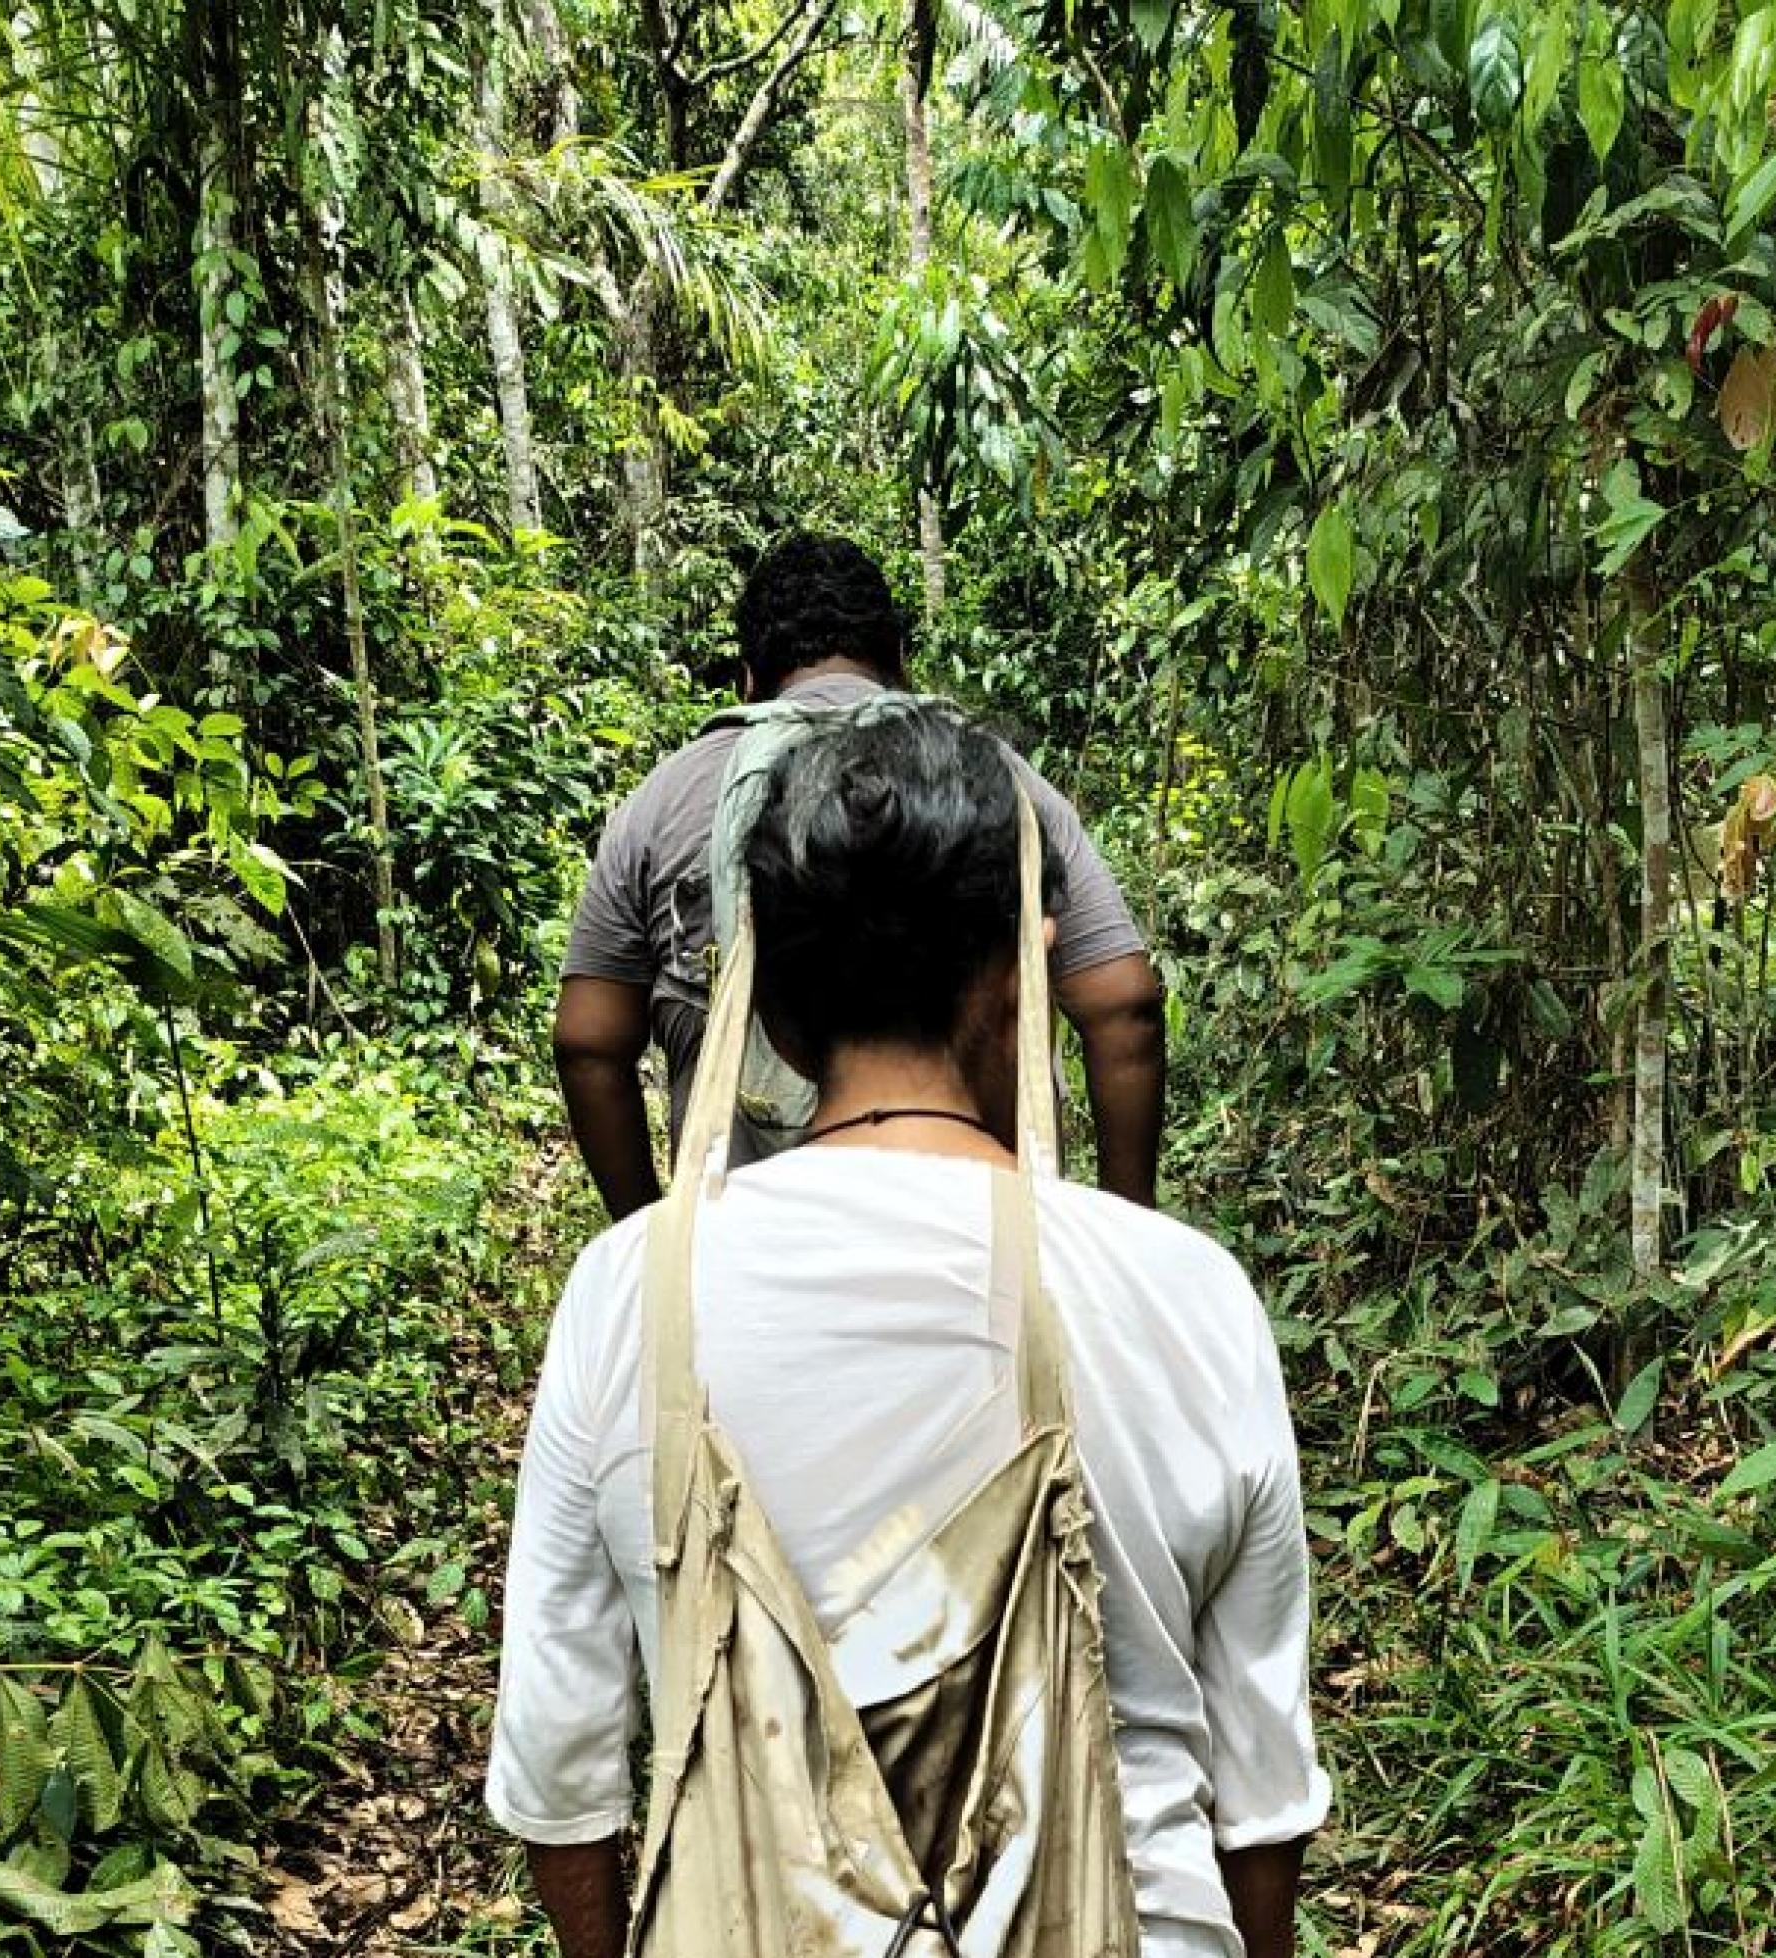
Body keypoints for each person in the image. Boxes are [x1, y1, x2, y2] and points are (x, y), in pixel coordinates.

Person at [489, 701, 1325, 1958]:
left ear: (764, 1010)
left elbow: (563, 1781)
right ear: (1022, 975)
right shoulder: (1187, 1293)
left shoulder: (630, 1296)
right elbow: (1262, 1799)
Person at [555, 532, 1167, 1217]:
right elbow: (1124, 1005)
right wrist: (1127, 1226)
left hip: (741, 1253)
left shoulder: (661, 804)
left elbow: (587, 1040)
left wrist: (646, 1239)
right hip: (987, 1241)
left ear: (748, 678)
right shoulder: (1000, 784)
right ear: (900, 664)